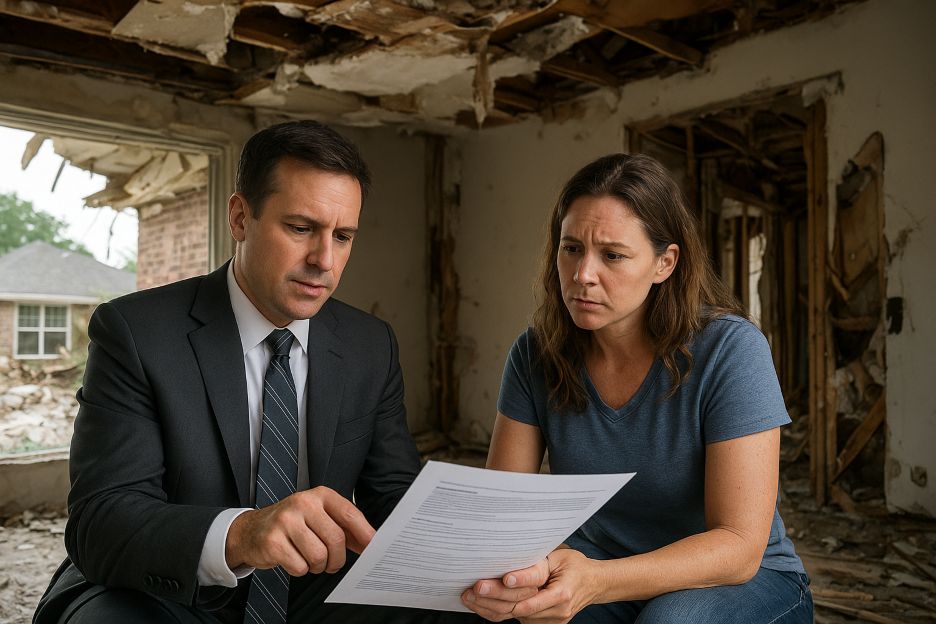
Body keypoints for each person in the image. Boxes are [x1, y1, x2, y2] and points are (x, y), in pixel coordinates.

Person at [35, 120, 478, 624]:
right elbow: (102, 522)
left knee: (469, 608)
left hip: (315, 588)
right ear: (241, 217)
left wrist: (477, 550)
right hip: (169, 589)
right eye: (301, 228)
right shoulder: (135, 332)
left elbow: (393, 496)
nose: (324, 261)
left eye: (344, 236)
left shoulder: (369, 344)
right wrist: (244, 534)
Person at [460, 153, 813, 623]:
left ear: (664, 263)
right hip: (601, 575)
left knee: (671, 621)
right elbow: (505, 516)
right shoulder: (535, 354)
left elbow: (738, 548)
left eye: (613, 255)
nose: (583, 274)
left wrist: (598, 580)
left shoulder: (731, 350)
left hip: (743, 582)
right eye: (571, 249)